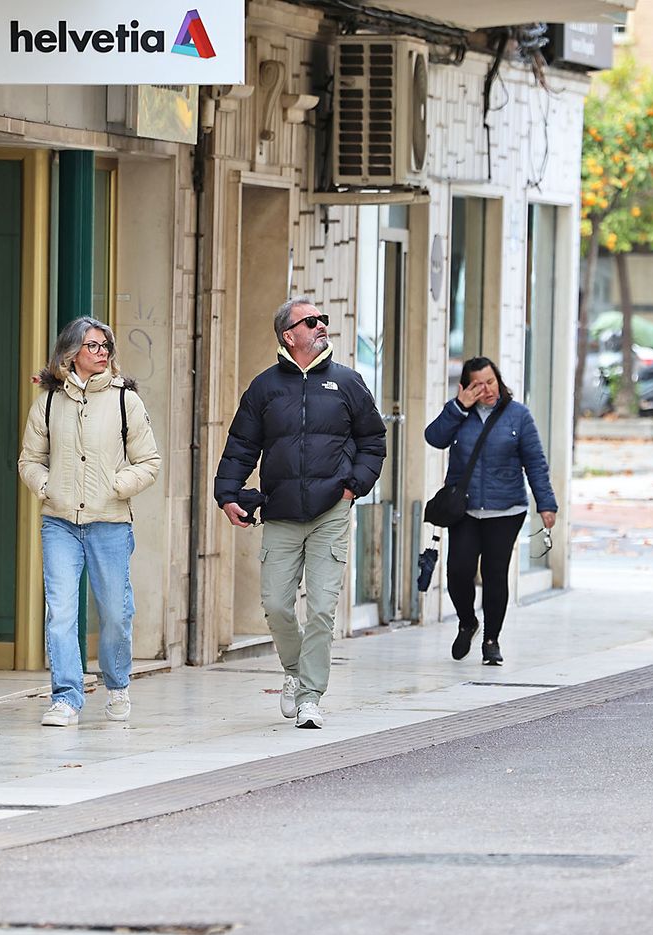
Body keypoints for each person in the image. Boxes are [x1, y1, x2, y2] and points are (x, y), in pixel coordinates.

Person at [214, 298, 387, 730]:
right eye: (311, 321)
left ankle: (311, 696)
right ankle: (293, 670)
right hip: (281, 511)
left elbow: (373, 441)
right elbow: (241, 445)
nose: (321, 325)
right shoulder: (265, 387)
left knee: (323, 609)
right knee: (276, 605)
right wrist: (227, 494)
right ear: (289, 335)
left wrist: (354, 486)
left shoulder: (348, 382)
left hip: (331, 509)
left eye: (323, 319)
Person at [18, 316, 161, 727]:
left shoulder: (124, 401)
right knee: (60, 612)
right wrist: (47, 486)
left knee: (116, 613)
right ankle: (66, 697)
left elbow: (150, 461)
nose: (102, 353)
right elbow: (29, 459)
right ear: (71, 352)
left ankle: (117, 686)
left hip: (110, 522)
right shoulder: (48, 401)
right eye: (93, 346)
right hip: (59, 523)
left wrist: (118, 485)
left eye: (106, 347)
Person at [424, 357, 559, 666]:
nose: (487, 389)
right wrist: (458, 406)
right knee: (458, 570)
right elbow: (434, 438)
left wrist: (546, 504)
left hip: (506, 509)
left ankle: (491, 639)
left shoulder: (518, 416)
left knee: (494, 575)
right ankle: (468, 621)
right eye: (478, 384)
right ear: (465, 386)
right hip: (466, 509)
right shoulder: (458, 413)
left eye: (491, 382)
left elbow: (535, 462)